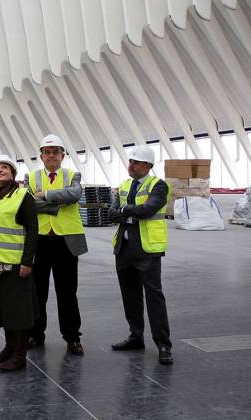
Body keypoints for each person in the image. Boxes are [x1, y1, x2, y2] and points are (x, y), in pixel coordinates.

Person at [107, 145, 173, 365]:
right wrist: (128, 212)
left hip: (147, 249)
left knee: (154, 297)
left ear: (148, 166)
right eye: (130, 161)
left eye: (136, 162)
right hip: (123, 249)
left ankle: (163, 344)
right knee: (130, 296)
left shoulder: (159, 186)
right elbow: (111, 214)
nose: (131, 166)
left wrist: (125, 210)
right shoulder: (124, 186)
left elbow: (148, 210)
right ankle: (136, 337)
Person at [27, 134, 87, 355]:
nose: (51, 156)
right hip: (40, 241)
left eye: (56, 152)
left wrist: (46, 195)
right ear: (41, 156)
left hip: (66, 242)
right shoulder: (31, 177)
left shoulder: (73, 174)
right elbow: (30, 204)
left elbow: (75, 194)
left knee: (68, 292)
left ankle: (72, 337)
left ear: (63, 155)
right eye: (47, 152)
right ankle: (35, 334)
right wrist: (56, 204)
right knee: (37, 292)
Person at [0, 154, 38, 372]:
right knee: (4, 309)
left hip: (14, 263)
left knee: (18, 312)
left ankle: (20, 355)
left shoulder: (22, 196)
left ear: (13, 173)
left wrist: (27, 261)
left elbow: (33, 230)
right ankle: (9, 347)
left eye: (5, 168)